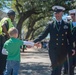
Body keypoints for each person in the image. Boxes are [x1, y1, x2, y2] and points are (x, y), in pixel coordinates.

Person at [33, 5, 75, 75]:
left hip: (63, 50)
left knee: (59, 68)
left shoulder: (67, 24)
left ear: (62, 13)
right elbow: (43, 35)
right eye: (55, 13)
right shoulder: (50, 24)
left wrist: (72, 48)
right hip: (53, 50)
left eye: (58, 13)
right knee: (54, 67)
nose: (56, 15)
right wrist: (33, 42)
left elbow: (70, 38)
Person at [0, 10, 15, 75]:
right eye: (14, 16)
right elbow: (3, 26)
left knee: (2, 58)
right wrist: (8, 36)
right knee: (5, 58)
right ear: (11, 16)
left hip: (2, 40)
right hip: (4, 41)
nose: (14, 18)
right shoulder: (7, 20)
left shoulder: (3, 19)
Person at [64, 9, 76, 75]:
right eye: (71, 15)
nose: (72, 16)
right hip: (70, 49)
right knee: (70, 67)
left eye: (74, 15)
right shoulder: (67, 25)